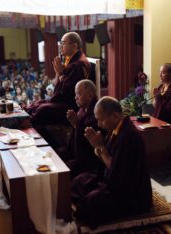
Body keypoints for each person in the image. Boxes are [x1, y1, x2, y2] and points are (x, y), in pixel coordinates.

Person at [71, 96, 152, 227]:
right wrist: (97, 146)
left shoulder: (128, 136)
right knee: (78, 181)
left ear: (114, 116)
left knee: (92, 201)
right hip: (113, 180)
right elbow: (108, 163)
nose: (98, 124)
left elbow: (117, 172)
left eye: (100, 120)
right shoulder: (116, 129)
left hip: (131, 194)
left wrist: (100, 147)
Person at [25, 32, 91, 125]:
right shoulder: (71, 60)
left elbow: (67, 93)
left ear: (74, 46)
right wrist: (58, 73)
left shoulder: (78, 65)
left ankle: (28, 127)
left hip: (71, 105)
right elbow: (57, 85)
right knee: (36, 104)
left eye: (63, 43)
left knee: (42, 109)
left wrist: (60, 73)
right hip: (64, 101)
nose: (60, 46)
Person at [65, 80, 104, 178]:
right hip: (77, 158)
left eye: (78, 93)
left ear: (90, 95)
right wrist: (76, 126)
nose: (75, 97)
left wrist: (76, 125)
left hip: (90, 163)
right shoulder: (82, 111)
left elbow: (87, 147)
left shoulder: (97, 112)